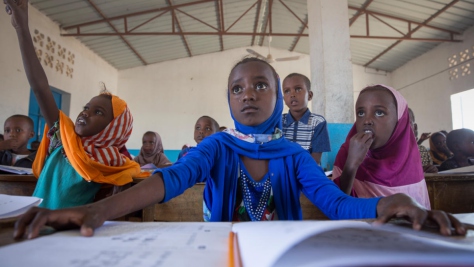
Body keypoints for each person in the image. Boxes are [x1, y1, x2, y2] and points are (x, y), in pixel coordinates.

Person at [11, 56, 468, 239]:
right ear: (228, 98)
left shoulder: (292, 155)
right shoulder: (217, 147)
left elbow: (335, 203)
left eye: (260, 86)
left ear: (278, 96)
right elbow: (168, 181)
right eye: (237, 88)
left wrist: (393, 201)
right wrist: (97, 212)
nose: (248, 94)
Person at [5, 0, 140, 210]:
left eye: (98, 112)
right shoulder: (64, 140)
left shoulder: (114, 163)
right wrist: (21, 27)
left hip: (70, 232)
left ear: (114, 128)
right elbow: (40, 88)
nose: (85, 113)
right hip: (33, 221)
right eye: (86, 107)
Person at [332, 85, 431, 209]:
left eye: (379, 112)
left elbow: (419, 210)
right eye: (361, 113)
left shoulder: (409, 155)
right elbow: (336, 206)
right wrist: (351, 165)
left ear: (399, 120)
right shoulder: (348, 153)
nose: (367, 121)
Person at [281, 73, 330, 165]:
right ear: (283, 98)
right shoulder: (279, 121)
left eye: (298, 89)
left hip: (308, 173)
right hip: (283, 173)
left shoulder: (318, 122)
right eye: (287, 91)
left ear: (310, 95)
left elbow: (315, 160)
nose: (292, 94)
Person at [408, 108, 437, 173]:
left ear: (414, 127)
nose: (401, 127)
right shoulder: (383, 152)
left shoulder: (422, 150)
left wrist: (432, 170)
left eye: (407, 123)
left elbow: (429, 174)